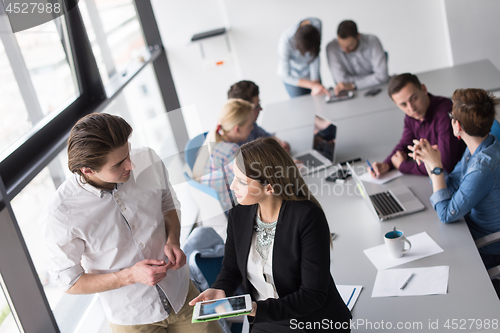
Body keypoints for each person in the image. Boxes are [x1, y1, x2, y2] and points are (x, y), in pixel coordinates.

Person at [41, 113, 222, 332]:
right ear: (88, 171)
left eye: (128, 153)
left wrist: (173, 240)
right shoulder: (62, 214)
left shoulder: (147, 159)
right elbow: (69, 281)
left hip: (183, 295)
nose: (131, 164)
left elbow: (167, 202)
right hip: (133, 318)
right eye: (118, 164)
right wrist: (129, 275)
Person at [189, 137, 351, 332]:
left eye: (241, 181)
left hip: (310, 321)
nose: (232, 187)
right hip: (264, 320)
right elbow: (232, 268)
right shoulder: (238, 214)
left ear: (269, 186)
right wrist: (220, 289)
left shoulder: (307, 218)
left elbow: (313, 295)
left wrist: (257, 308)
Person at [409, 88, 500, 270]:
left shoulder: (482, 169)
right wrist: (430, 160)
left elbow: (446, 214)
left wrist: (436, 169)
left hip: (486, 246)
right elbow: (450, 186)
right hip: (468, 229)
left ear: (457, 126)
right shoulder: (482, 145)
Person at [368, 73, 465, 177]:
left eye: (414, 98)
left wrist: (403, 166)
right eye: (403, 104)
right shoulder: (411, 115)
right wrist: (387, 164)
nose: (411, 108)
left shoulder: (444, 113)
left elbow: (444, 165)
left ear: (423, 89)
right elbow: (405, 144)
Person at [193, 99, 254, 213]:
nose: (252, 128)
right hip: (230, 211)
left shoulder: (212, 143)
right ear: (237, 129)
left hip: (213, 212)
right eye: (250, 125)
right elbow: (249, 187)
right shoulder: (231, 151)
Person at [326, 20, 389, 95]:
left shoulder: (372, 40)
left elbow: (382, 76)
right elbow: (342, 81)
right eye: (341, 46)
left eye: (349, 46)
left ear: (358, 36)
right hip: (352, 94)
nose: (345, 50)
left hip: (378, 90)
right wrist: (372, 79)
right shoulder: (332, 47)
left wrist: (353, 85)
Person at [227, 80, 290, 152]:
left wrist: (281, 144)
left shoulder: (251, 125)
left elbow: (267, 138)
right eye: (257, 106)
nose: (260, 109)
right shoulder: (228, 152)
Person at [277, 17, 330, 98]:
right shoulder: (285, 41)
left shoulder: (316, 25)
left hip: (311, 74)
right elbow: (285, 75)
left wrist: (315, 83)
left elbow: (315, 55)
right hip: (294, 77)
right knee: (301, 106)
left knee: (319, 99)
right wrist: (313, 85)